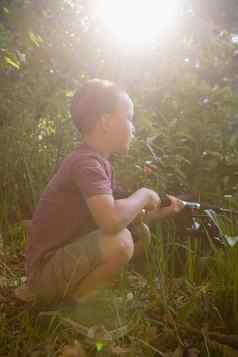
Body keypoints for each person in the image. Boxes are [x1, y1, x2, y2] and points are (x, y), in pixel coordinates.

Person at [25, 79, 184, 305]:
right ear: (106, 121)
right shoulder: (86, 163)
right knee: (120, 242)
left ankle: (82, 292)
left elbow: (121, 218)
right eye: (129, 118)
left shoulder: (97, 163)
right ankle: (73, 307)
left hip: (59, 267)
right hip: (44, 276)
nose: (133, 127)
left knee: (141, 234)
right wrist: (144, 195)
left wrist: (163, 212)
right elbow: (111, 222)